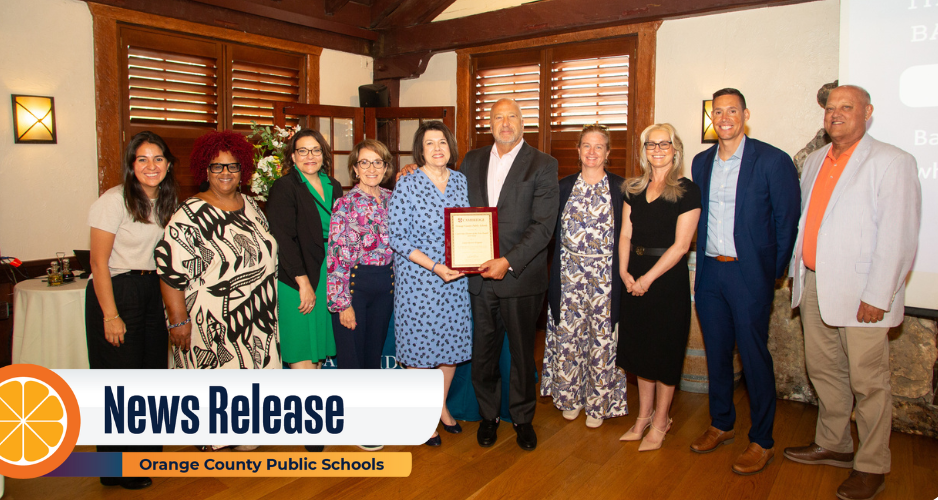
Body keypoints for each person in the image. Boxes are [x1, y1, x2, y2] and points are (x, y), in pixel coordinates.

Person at [784, 85, 921, 500]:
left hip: (864, 293)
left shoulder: (892, 161)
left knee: (869, 382)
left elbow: (899, 235)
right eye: (830, 108)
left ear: (868, 113)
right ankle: (835, 443)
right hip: (813, 283)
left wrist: (880, 294)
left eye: (846, 107)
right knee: (824, 370)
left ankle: (872, 464)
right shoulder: (814, 163)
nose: (835, 115)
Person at [690, 88, 800, 474]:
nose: (724, 118)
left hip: (749, 273)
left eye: (731, 110)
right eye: (717, 111)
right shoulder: (701, 162)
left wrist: (772, 274)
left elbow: (787, 224)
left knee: (753, 357)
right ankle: (721, 423)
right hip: (709, 272)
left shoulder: (772, 160)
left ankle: (762, 439)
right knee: (717, 353)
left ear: (745, 114)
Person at [463, 98, 559, 451]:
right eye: (498, 117)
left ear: (523, 122)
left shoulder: (543, 164)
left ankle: (521, 418)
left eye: (512, 117)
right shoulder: (471, 161)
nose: (505, 123)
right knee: (483, 351)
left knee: (521, 355)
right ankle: (488, 416)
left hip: (521, 278)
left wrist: (508, 261)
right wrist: (412, 172)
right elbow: (453, 203)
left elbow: (543, 225)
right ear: (490, 124)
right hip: (477, 278)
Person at [86, 131, 177, 490]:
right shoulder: (113, 201)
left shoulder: (168, 201)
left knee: (150, 377)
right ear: (131, 164)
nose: (150, 166)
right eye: (142, 159)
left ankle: (140, 460)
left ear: (168, 165)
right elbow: (97, 262)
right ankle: (113, 466)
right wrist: (110, 315)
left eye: (157, 159)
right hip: (118, 290)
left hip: (153, 290)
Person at [155, 130, 280, 374]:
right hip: (211, 327)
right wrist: (178, 321)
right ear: (205, 169)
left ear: (242, 169)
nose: (225, 173)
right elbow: (170, 273)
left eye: (232, 166)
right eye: (217, 167)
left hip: (260, 321)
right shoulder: (188, 215)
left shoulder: (252, 205)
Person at [617, 123, 701, 451]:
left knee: (664, 352)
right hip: (633, 273)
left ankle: (662, 420)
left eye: (664, 144)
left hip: (665, 279)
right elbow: (625, 234)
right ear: (644, 151)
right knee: (639, 352)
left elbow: (681, 246)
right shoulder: (633, 188)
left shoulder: (687, 190)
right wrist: (624, 272)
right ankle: (642, 418)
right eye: (651, 144)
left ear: (675, 149)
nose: (658, 149)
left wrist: (648, 279)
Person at [389, 121, 471, 447]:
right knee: (419, 354)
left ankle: (441, 406)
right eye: (429, 144)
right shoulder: (407, 183)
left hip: (456, 281)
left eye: (442, 142)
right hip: (419, 281)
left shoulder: (462, 181)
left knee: (449, 349)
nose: (437, 148)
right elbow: (397, 237)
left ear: (450, 147)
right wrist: (435, 267)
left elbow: (471, 227)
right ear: (419, 151)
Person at [541, 123, 628, 429]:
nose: (592, 152)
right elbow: (545, 231)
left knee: (602, 339)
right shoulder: (563, 187)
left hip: (605, 278)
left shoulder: (622, 189)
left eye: (599, 146)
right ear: (578, 151)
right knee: (569, 337)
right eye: (586, 146)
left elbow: (629, 237)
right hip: (568, 276)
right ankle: (570, 398)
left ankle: (597, 403)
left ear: (608, 152)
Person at [326, 140, 395, 452]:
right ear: (354, 168)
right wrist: (342, 303)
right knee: (352, 360)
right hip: (355, 284)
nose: (371, 169)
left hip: (386, 285)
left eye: (377, 162)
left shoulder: (394, 200)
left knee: (372, 357)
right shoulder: (344, 204)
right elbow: (337, 256)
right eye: (364, 163)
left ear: (385, 167)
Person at [267, 129, 343, 371]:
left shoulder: (334, 185)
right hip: (298, 276)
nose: (310, 156)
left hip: (326, 274)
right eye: (303, 150)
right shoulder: (284, 186)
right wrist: (304, 283)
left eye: (316, 150)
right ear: (293, 156)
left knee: (317, 354)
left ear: (323, 154)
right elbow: (283, 239)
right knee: (301, 348)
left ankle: (314, 406)